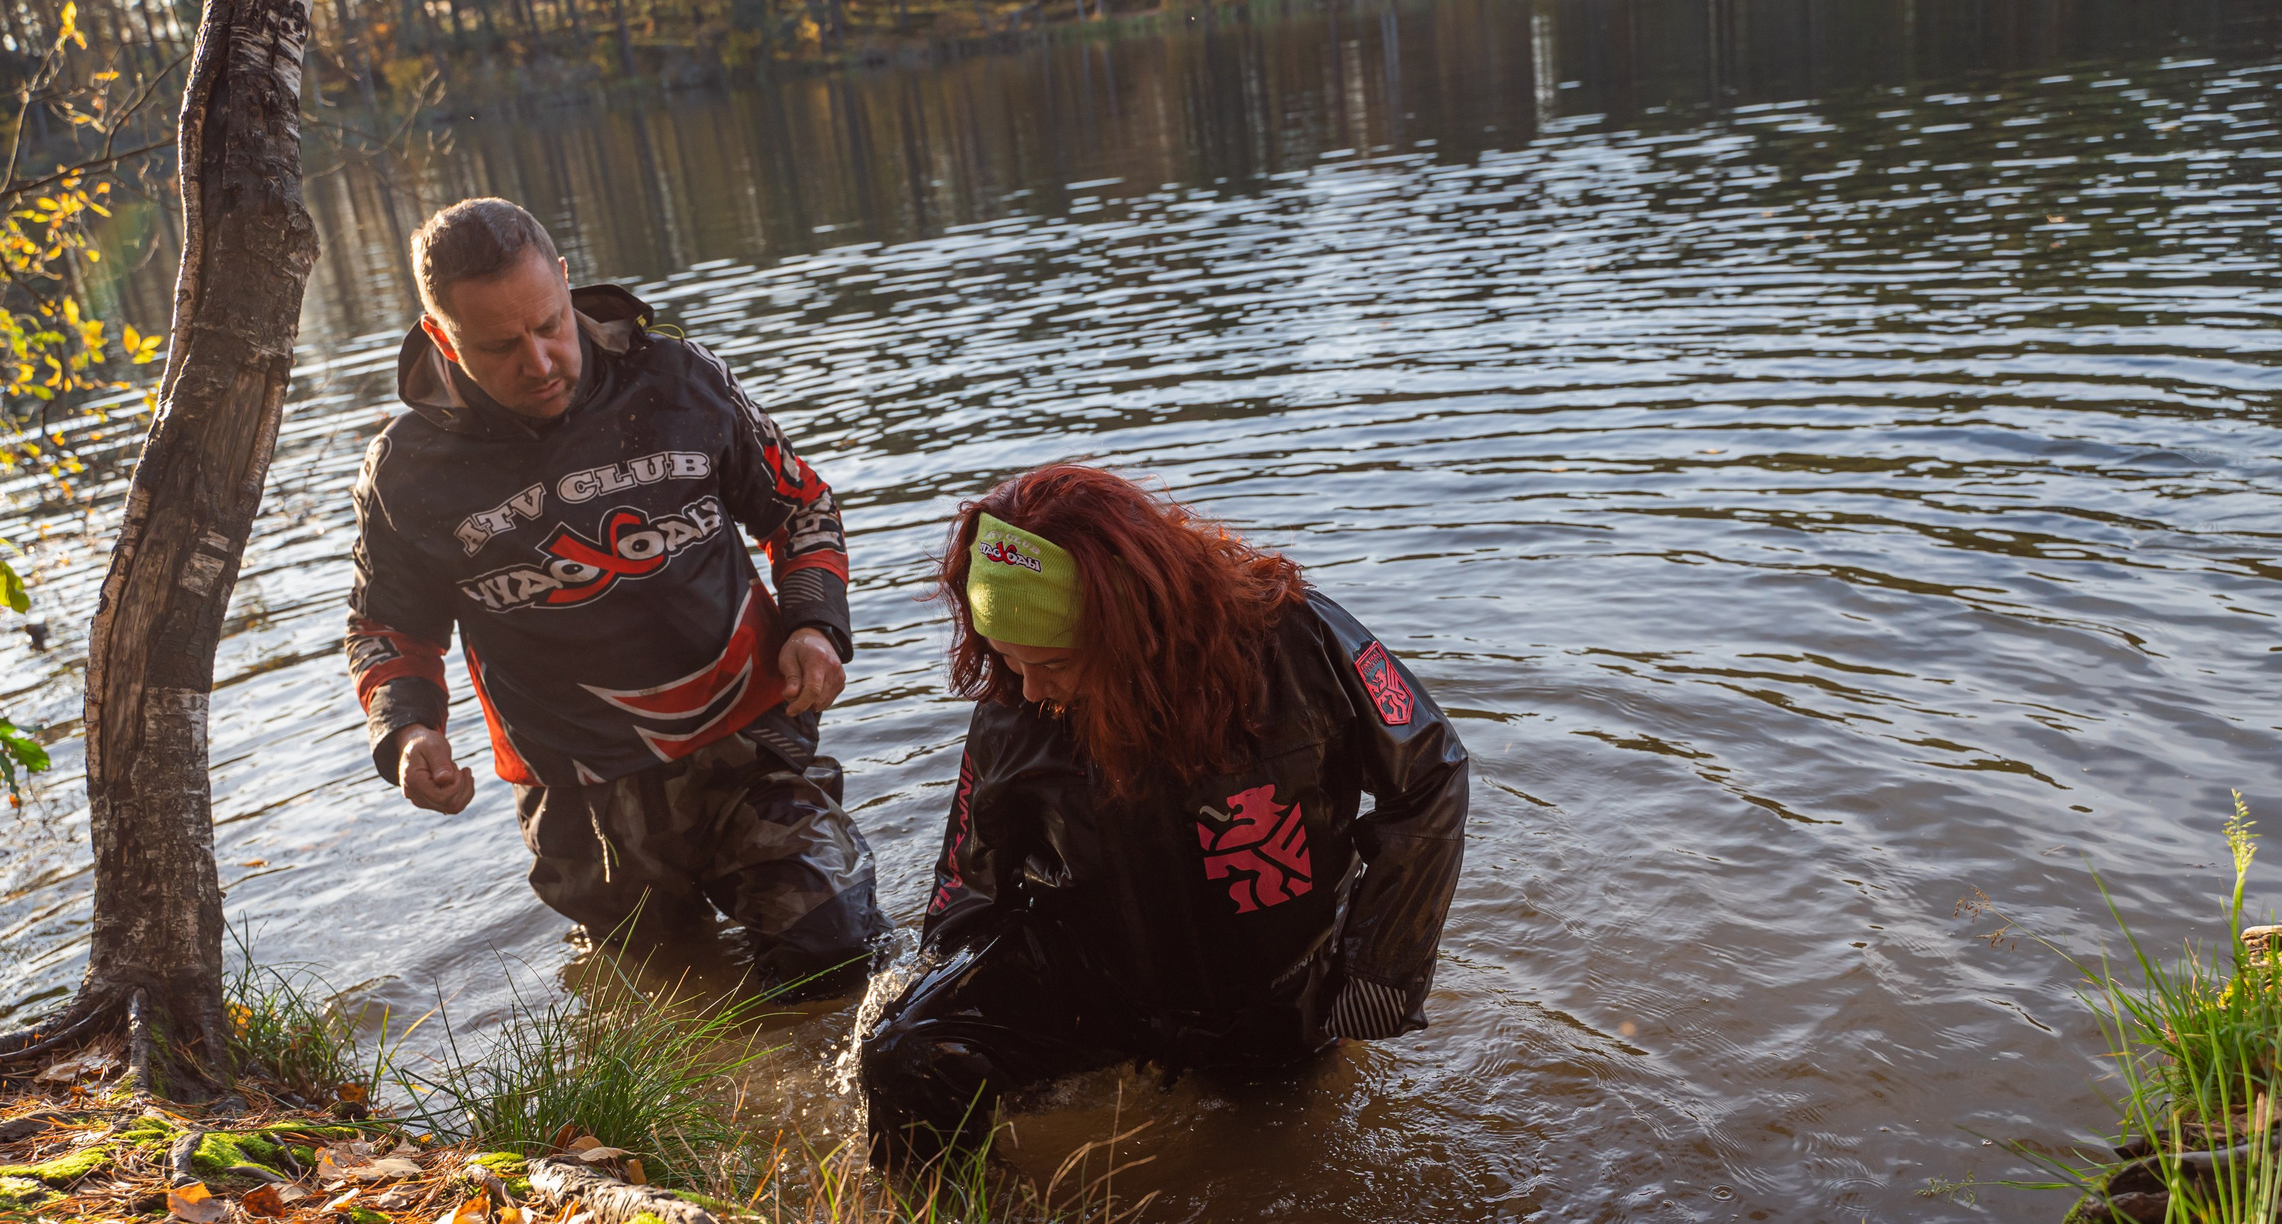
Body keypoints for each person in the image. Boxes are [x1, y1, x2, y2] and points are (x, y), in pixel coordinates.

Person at [343, 197, 888, 995]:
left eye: (549, 324)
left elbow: (801, 506)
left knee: (835, 943)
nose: (539, 362)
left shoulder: (678, 380)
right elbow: (387, 625)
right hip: (581, 797)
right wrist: (409, 731)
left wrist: (814, 625)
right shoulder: (407, 471)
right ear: (440, 338)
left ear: (565, 284)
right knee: (666, 1008)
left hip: (747, 751)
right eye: (499, 346)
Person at [857, 464, 1470, 1166]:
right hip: (1101, 979)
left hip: (1270, 994)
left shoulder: (1295, 638)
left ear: (1126, 629)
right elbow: (973, 874)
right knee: (907, 1051)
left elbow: (1431, 772)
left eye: (1052, 662)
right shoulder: (1016, 701)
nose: (1029, 688)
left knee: (1276, 1160)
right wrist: (936, 986)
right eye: (1007, 660)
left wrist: (1376, 973)